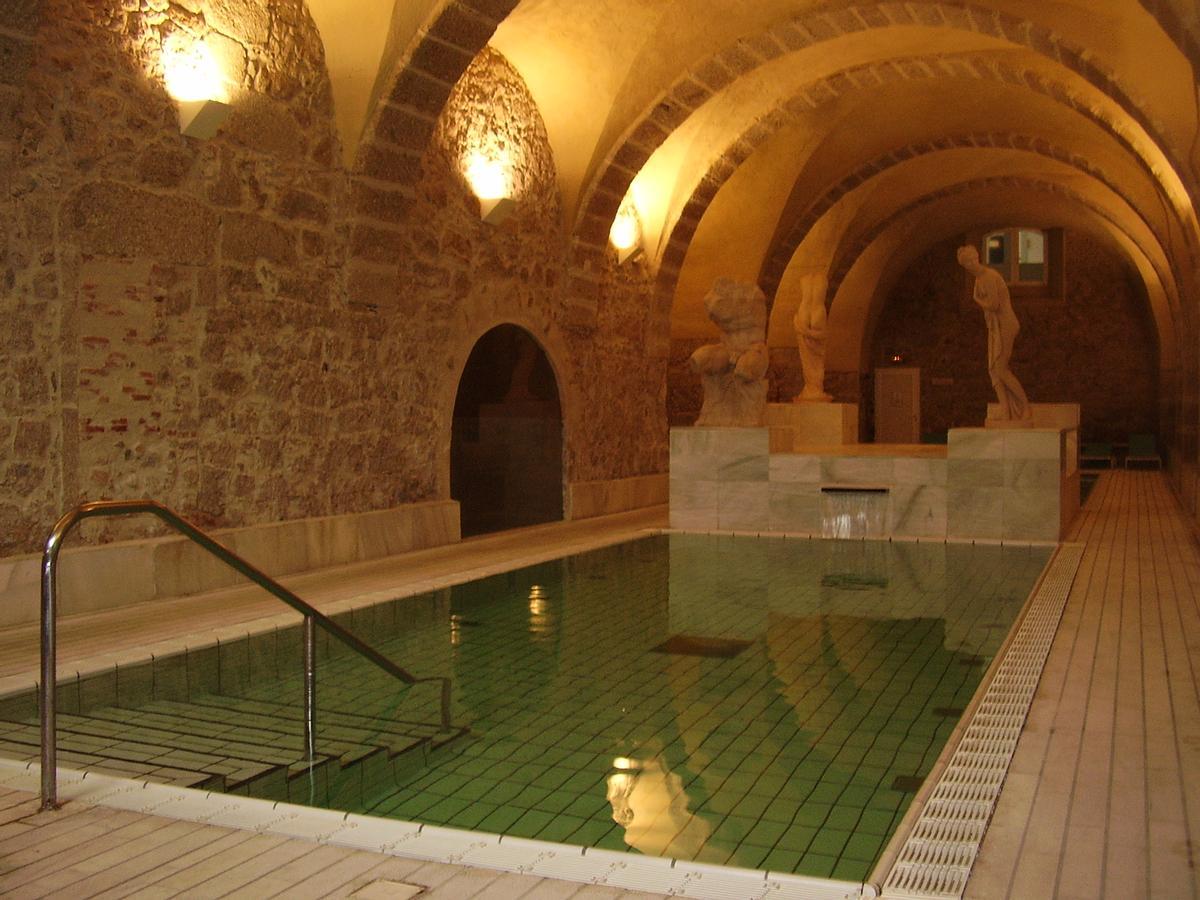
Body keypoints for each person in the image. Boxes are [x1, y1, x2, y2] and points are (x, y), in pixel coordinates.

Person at [956, 244, 1031, 422]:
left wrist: (977, 300)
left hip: (1005, 324)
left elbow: (994, 305)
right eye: (966, 263)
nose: (970, 264)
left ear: (976, 258)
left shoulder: (989, 276)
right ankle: (1006, 411)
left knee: (1001, 368)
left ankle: (1025, 407)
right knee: (994, 371)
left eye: (971, 260)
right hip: (994, 326)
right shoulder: (979, 279)